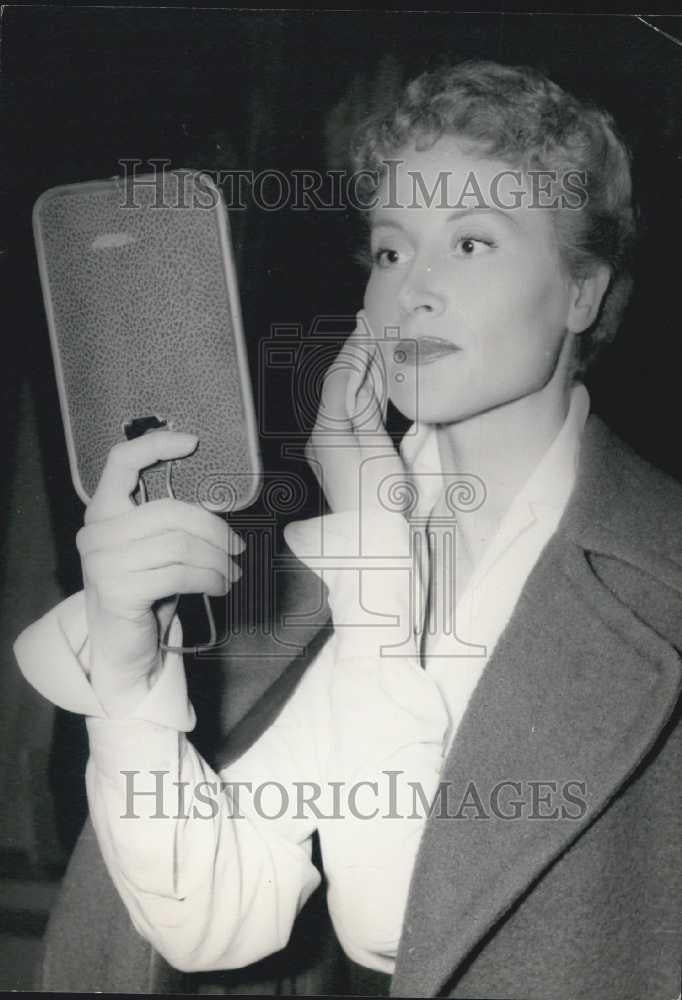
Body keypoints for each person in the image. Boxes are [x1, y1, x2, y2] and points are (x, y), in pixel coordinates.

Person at [15, 61, 682, 999]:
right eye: (391, 251)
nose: (411, 292)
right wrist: (128, 682)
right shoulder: (317, 572)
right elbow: (212, 922)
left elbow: (431, 920)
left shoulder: (661, 582)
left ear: (581, 293)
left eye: (474, 243)